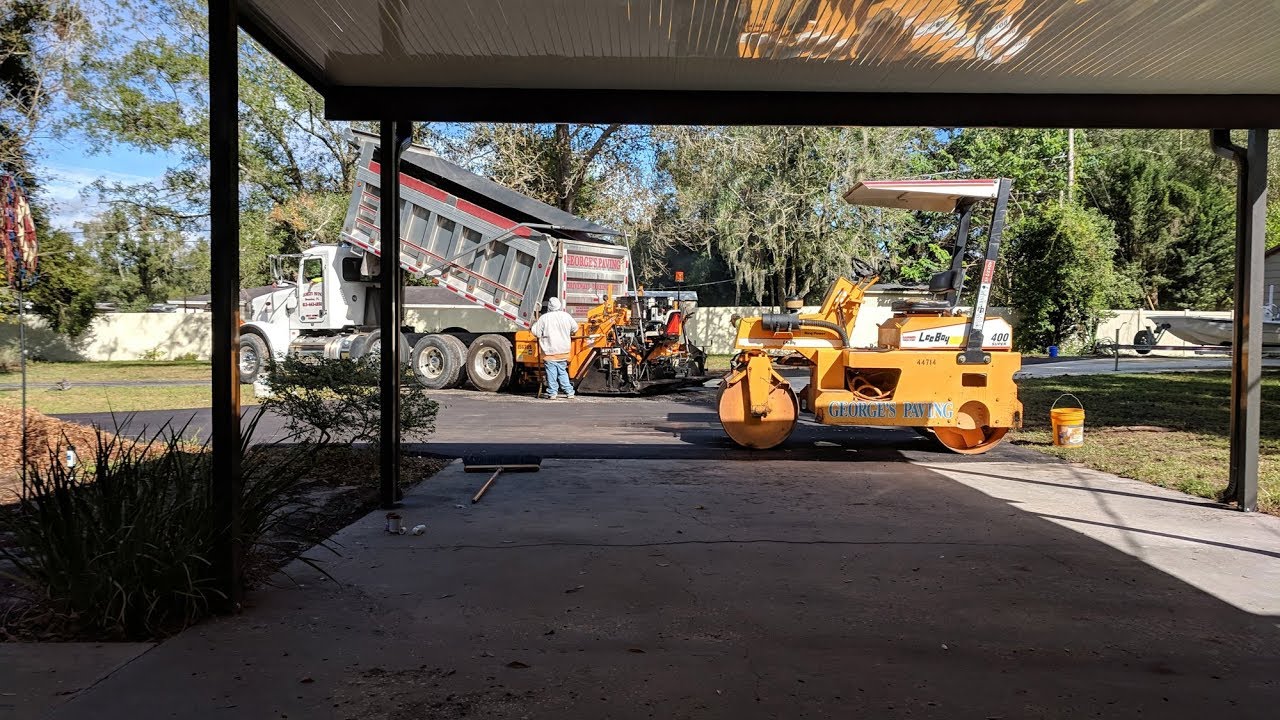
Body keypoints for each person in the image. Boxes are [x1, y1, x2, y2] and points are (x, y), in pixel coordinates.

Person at [530, 296, 579, 399]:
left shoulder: (544, 318)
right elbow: (575, 328)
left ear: (549, 306)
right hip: (563, 350)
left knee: (551, 373)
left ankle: (552, 393)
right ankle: (569, 392)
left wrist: (534, 326)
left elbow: (537, 332)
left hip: (550, 351)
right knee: (562, 372)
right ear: (559, 305)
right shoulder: (566, 316)